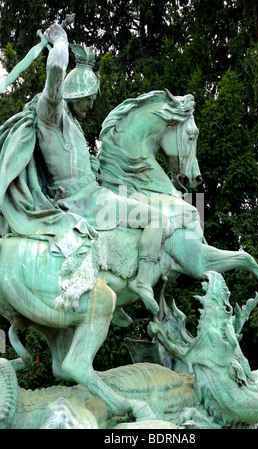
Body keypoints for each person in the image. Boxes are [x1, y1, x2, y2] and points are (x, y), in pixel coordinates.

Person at [33, 23, 174, 314]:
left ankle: (117, 293)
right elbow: (56, 73)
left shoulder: (72, 126)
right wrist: (61, 41)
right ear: (75, 93)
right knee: (159, 220)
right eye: (89, 97)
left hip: (93, 195)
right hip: (85, 202)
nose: (92, 103)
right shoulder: (51, 115)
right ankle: (142, 283)